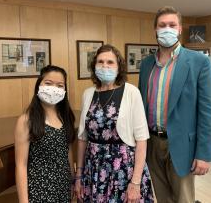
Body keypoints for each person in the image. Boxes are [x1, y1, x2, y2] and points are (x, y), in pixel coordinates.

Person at [138, 6, 211, 203]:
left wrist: (204, 154)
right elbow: (141, 105)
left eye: (172, 25)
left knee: (183, 199)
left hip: (182, 145)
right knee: (162, 198)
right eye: (162, 25)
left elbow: (208, 111)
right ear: (155, 30)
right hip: (152, 144)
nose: (167, 29)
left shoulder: (199, 62)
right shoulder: (146, 64)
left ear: (180, 29)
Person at [75, 44, 154, 202]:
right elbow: (83, 138)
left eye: (110, 62)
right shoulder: (88, 94)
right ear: (94, 66)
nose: (105, 66)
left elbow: (141, 140)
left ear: (119, 67)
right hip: (93, 169)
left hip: (123, 169)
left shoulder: (131, 92)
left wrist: (136, 182)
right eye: (100, 61)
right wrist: (78, 175)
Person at [15, 65, 75, 203]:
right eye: (48, 83)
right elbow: (20, 165)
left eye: (60, 85)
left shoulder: (66, 117)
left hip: (63, 187)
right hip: (39, 189)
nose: (54, 88)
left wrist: (72, 180)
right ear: (39, 86)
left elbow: (68, 152)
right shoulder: (26, 120)